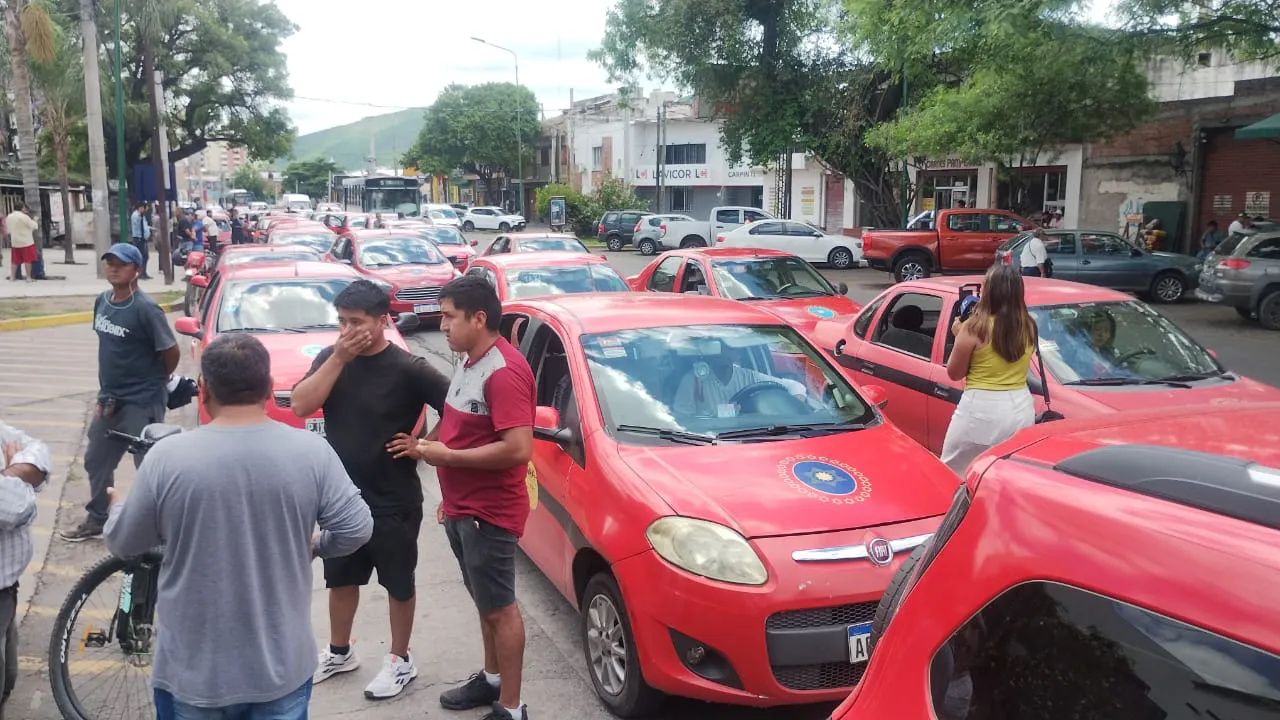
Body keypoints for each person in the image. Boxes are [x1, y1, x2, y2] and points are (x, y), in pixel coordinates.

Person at [104, 334, 374, 720]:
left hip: (193, 677)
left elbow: (124, 542)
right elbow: (356, 529)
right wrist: (314, 545)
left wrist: (117, 509)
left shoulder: (168, 458)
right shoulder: (311, 452)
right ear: (267, 388)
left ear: (204, 390)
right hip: (281, 670)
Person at [290, 279, 450, 700]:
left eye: (356, 322)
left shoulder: (408, 367)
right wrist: (338, 359)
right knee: (340, 579)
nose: (347, 331)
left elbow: (456, 406)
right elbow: (301, 405)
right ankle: (340, 651)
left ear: (383, 321)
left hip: (393, 498)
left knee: (398, 582)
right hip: (340, 499)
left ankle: (400, 659)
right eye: (341, 322)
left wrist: (424, 445)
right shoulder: (332, 358)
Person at [406, 276, 535, 720]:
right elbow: (457, 419)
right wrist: (426, 445)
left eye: (448, 316)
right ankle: (493, 678)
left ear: (479, 319)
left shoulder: (504, 371)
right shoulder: (468, 360)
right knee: (484, 601)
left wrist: (448, 456)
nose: (441, 326)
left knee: (500, 609)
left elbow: (518, 448)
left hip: (490, 513)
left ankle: (512, 708)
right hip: (462, 507)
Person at [61, 244, 180, 542]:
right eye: (109, 263)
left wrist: (159, 378)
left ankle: (158, 526)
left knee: (148, 464)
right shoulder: (102, 301)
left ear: (136, 271)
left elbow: (170, 350)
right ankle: (99, 517)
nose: (113, 268)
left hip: (142, 400)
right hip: (109, 399)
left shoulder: (145, 308)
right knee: (96, 459)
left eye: (121, 264)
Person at [940, 263, 1037, 475]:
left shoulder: (975, 327)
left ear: (989, 291)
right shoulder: (1028, 324)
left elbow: (954, 373)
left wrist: (958, 335)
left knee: (951, 470)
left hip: (982, 407)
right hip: (1021, 406)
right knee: (1004, 472)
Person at [0, 422, 51, 715]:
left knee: (7, 681)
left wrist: (9, 473)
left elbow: (39, 449)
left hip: (7, 591)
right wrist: (24, 483)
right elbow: (14, 508)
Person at [672, 346, 807, 417]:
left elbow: (796, 386)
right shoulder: (694, 380)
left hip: (749, 437)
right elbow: (682, 419)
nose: (734, 353)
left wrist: (796, 407)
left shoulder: (748, 376)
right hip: (707, 441)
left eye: (734, 349)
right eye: (727, 348)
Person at [5, 203, 38, 284]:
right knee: (28, 260)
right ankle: (28, 277)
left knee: (14, 261)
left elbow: (8, 229)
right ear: (22, 208)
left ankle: (12, 277)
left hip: (15, 241)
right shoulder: (24, 217)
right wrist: (35, 220)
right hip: (26, 241)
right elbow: (34, 226)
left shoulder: (9, 216)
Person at [128, 202, 151, 278]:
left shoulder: (142, 216)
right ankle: (141, 273)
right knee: (142, 256)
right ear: (140, 208)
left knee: (145, 256)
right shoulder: (136, 215)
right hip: (138, 238)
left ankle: (144, 272)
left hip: (143, 238)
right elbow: (139, 225)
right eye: (144, 208)